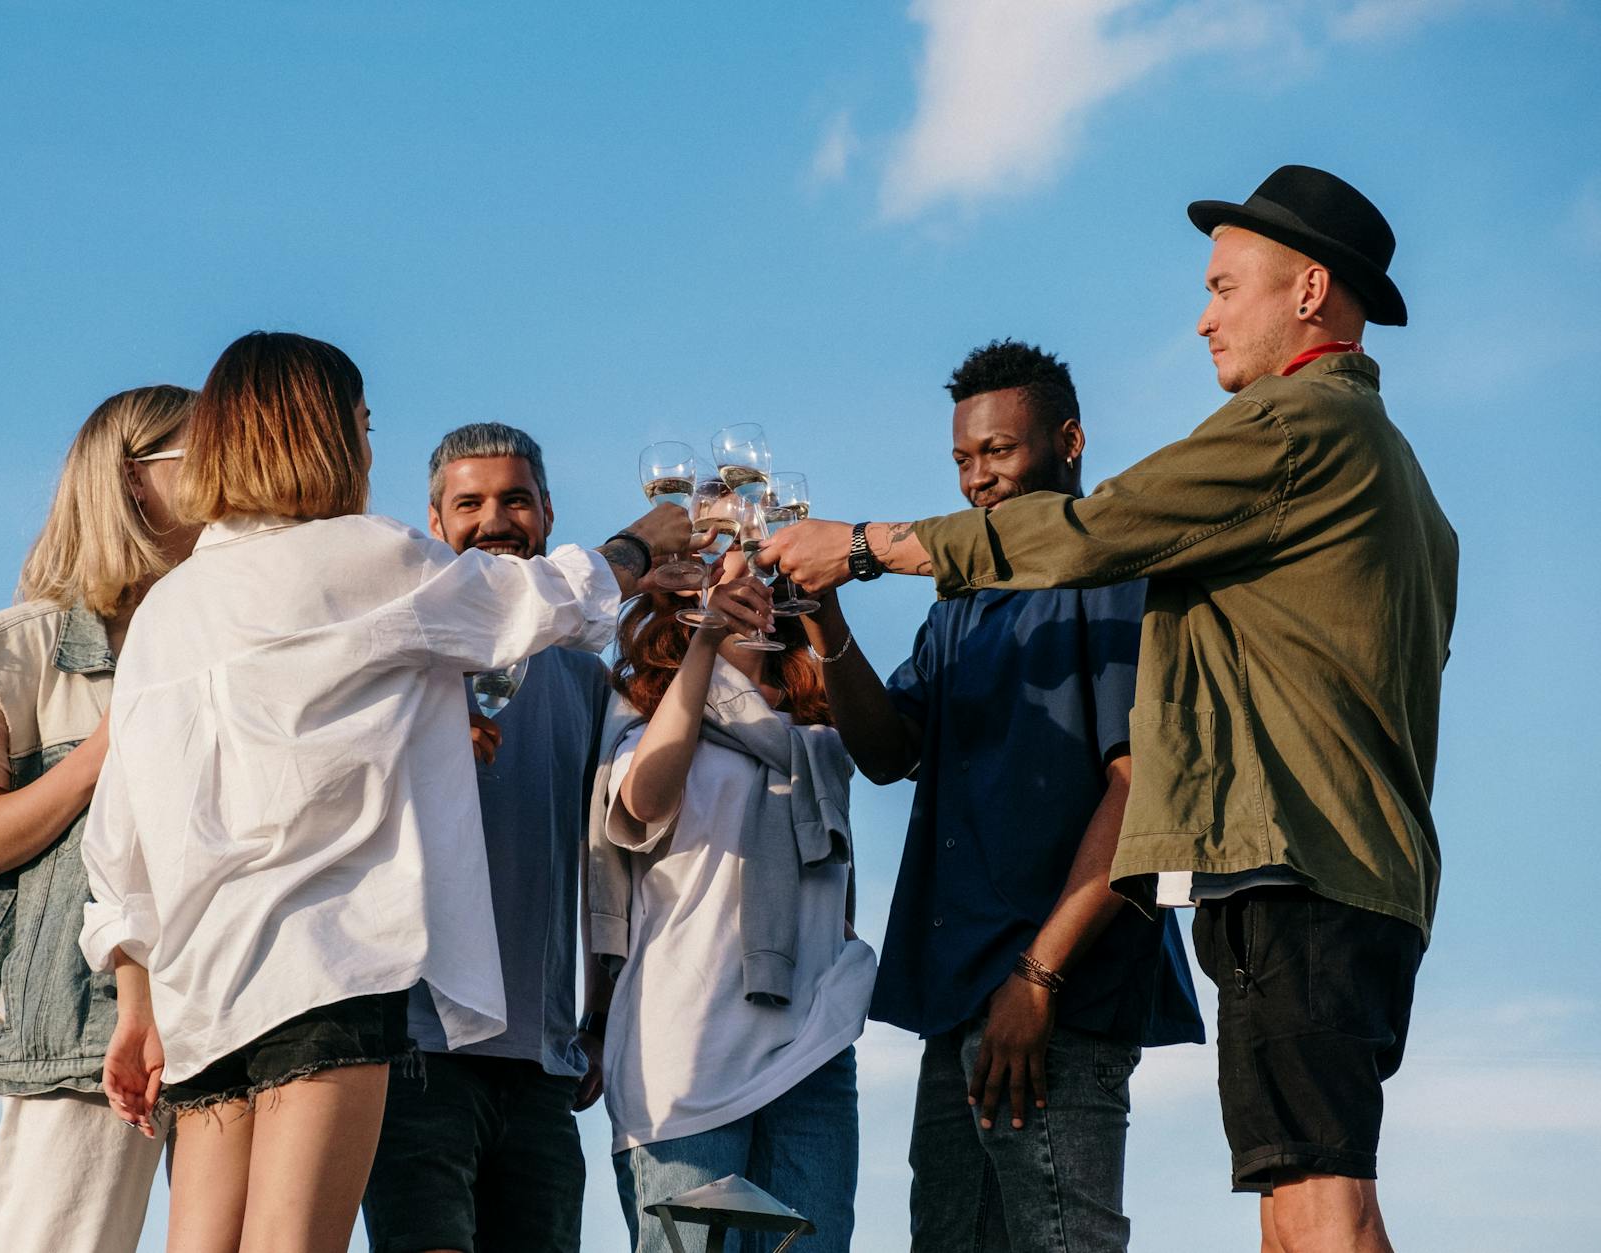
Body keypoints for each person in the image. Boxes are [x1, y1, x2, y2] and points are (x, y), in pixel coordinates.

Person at [763, 166, 1458, 1253]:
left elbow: (1090, 534)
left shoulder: (1287, 428)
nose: (1202, 315)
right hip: (1327, 876)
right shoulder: (1396, 471)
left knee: (1320, 1204)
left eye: (1225, 287)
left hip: (1298, 871)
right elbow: (895, 743)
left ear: (1309, 289)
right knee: (1292, 1202)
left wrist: (859, 546)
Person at [77, 331, 691, 1253]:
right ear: (322, 432)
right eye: (361, 423)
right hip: (324, 968)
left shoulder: (168, 606)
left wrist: (136, 1002)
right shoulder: (365, 557)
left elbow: (119, 834)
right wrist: (640, 545)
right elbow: (529, 604)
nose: (367, 446)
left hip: (200, 982)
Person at [794, 338, 1203, 1251]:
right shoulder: (958, 606)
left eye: (1001, 452)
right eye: (964, 460)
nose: (979, 478)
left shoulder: (1112, 580)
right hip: (960, 1004)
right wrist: (824, 613)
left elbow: (1143, 794)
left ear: (1069, 440)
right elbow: (886, 749)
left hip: (1061, 1001)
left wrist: (1039, 973)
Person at [0, 383, 198, 1253]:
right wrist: (104, 753)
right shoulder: (18, 650)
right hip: (85, 1023)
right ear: (134, 480)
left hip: (226, 1005)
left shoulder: (229, 641)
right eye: (205, 458)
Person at [360, 422, 614, 1253]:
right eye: (469, 503)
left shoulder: (586, 674)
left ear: (548, 513)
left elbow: (615, 861)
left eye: (514, 500)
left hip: (543, 1063)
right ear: (435, 524)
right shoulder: (408, 659)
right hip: (417, 1049)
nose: (494, 519)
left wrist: (603, 1008)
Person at [588, 549, 876, 1253]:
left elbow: (840, 889)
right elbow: (643, 800)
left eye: (758, 554)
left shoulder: (819, 731)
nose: (744, 568)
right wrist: (707, 642)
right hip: (688, 1056)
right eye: (721, 554)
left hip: (812, 1051)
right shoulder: (642, 706)